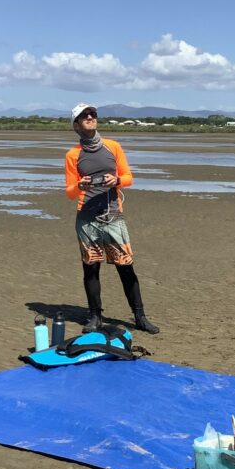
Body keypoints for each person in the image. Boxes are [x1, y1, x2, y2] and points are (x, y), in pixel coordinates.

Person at [64, 103, 159, 334]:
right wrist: (80, 184)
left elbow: (128, 177)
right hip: (86, 219)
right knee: (91, 269)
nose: (90, 117)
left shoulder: (113, 147)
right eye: (84, 115)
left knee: (126, 267)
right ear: (76, 124)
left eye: (93, 114)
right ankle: (95, 317)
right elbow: (69, 192)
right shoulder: (73, 154)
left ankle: (140, 317)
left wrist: (115, 181)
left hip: (113, 215)